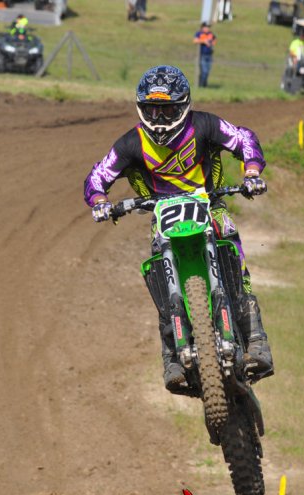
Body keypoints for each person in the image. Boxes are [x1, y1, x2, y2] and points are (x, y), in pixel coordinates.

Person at [83, 65, 273, 390]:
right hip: (161, 212)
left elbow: (243, 138)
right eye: (151, 110)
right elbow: (98, 175)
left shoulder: (205, 124)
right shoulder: (131, 143)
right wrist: (100, 201)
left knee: (232, 249)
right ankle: (171, 356)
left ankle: (256, 340)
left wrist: (252, 171)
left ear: (183, 105)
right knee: (158, 270)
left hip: (210, 203)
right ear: (141, 108)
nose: (159, 118)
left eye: (167, 110)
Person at [193, 23, 216, 88]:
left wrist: (211, 43)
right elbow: (195, 41)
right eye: (206, 27)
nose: (207, 28)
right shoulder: (199, 33)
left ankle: (204, 85)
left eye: (208, 27)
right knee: (204, 71)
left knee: (207, 72)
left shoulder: (210, 34)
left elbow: (214, 40)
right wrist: (204, 41)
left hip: (209, 55)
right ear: (202, 28)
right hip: (202, 55)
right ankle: (201, 85)